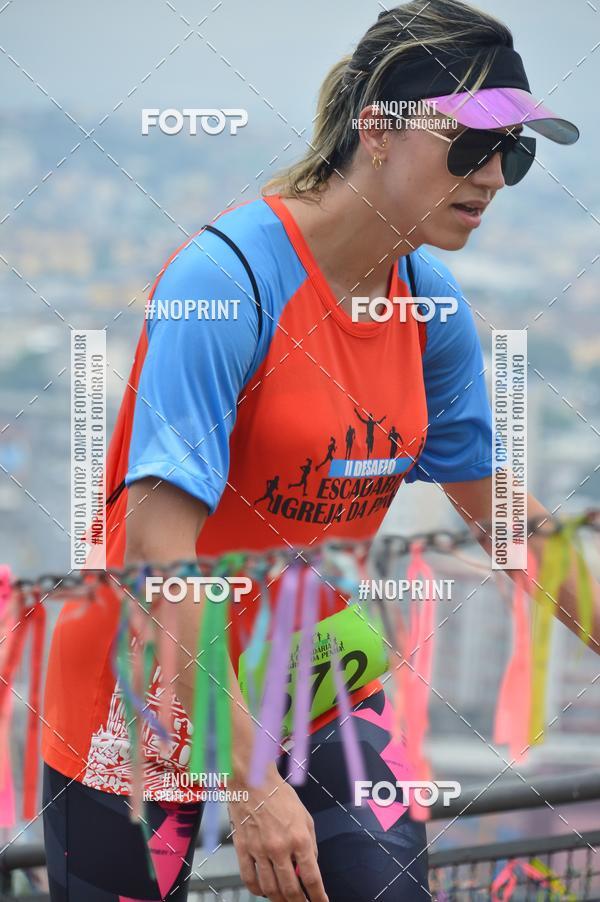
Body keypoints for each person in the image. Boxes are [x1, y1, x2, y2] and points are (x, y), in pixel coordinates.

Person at [41, 1, 595, 900]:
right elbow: (156, 551)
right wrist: (248, 780)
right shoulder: (225, 281)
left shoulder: (432, 308)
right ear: (377, 128)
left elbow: (509, 523)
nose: (494, 175)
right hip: (151, 685)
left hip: (309, 671)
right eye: (470, 145)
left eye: (515, 153)